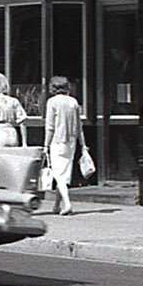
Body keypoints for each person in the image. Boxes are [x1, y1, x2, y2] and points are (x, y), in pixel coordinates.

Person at [41, 74, 84, 216]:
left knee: (59, 175)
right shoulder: (73, 102)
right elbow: (79, 126)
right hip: (71, 142)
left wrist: (46, 145)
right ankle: (56, 205)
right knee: (64, 173)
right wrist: (83, 144)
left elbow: (50, 127)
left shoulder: (52, 102)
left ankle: (67, 203)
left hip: (57, 141)